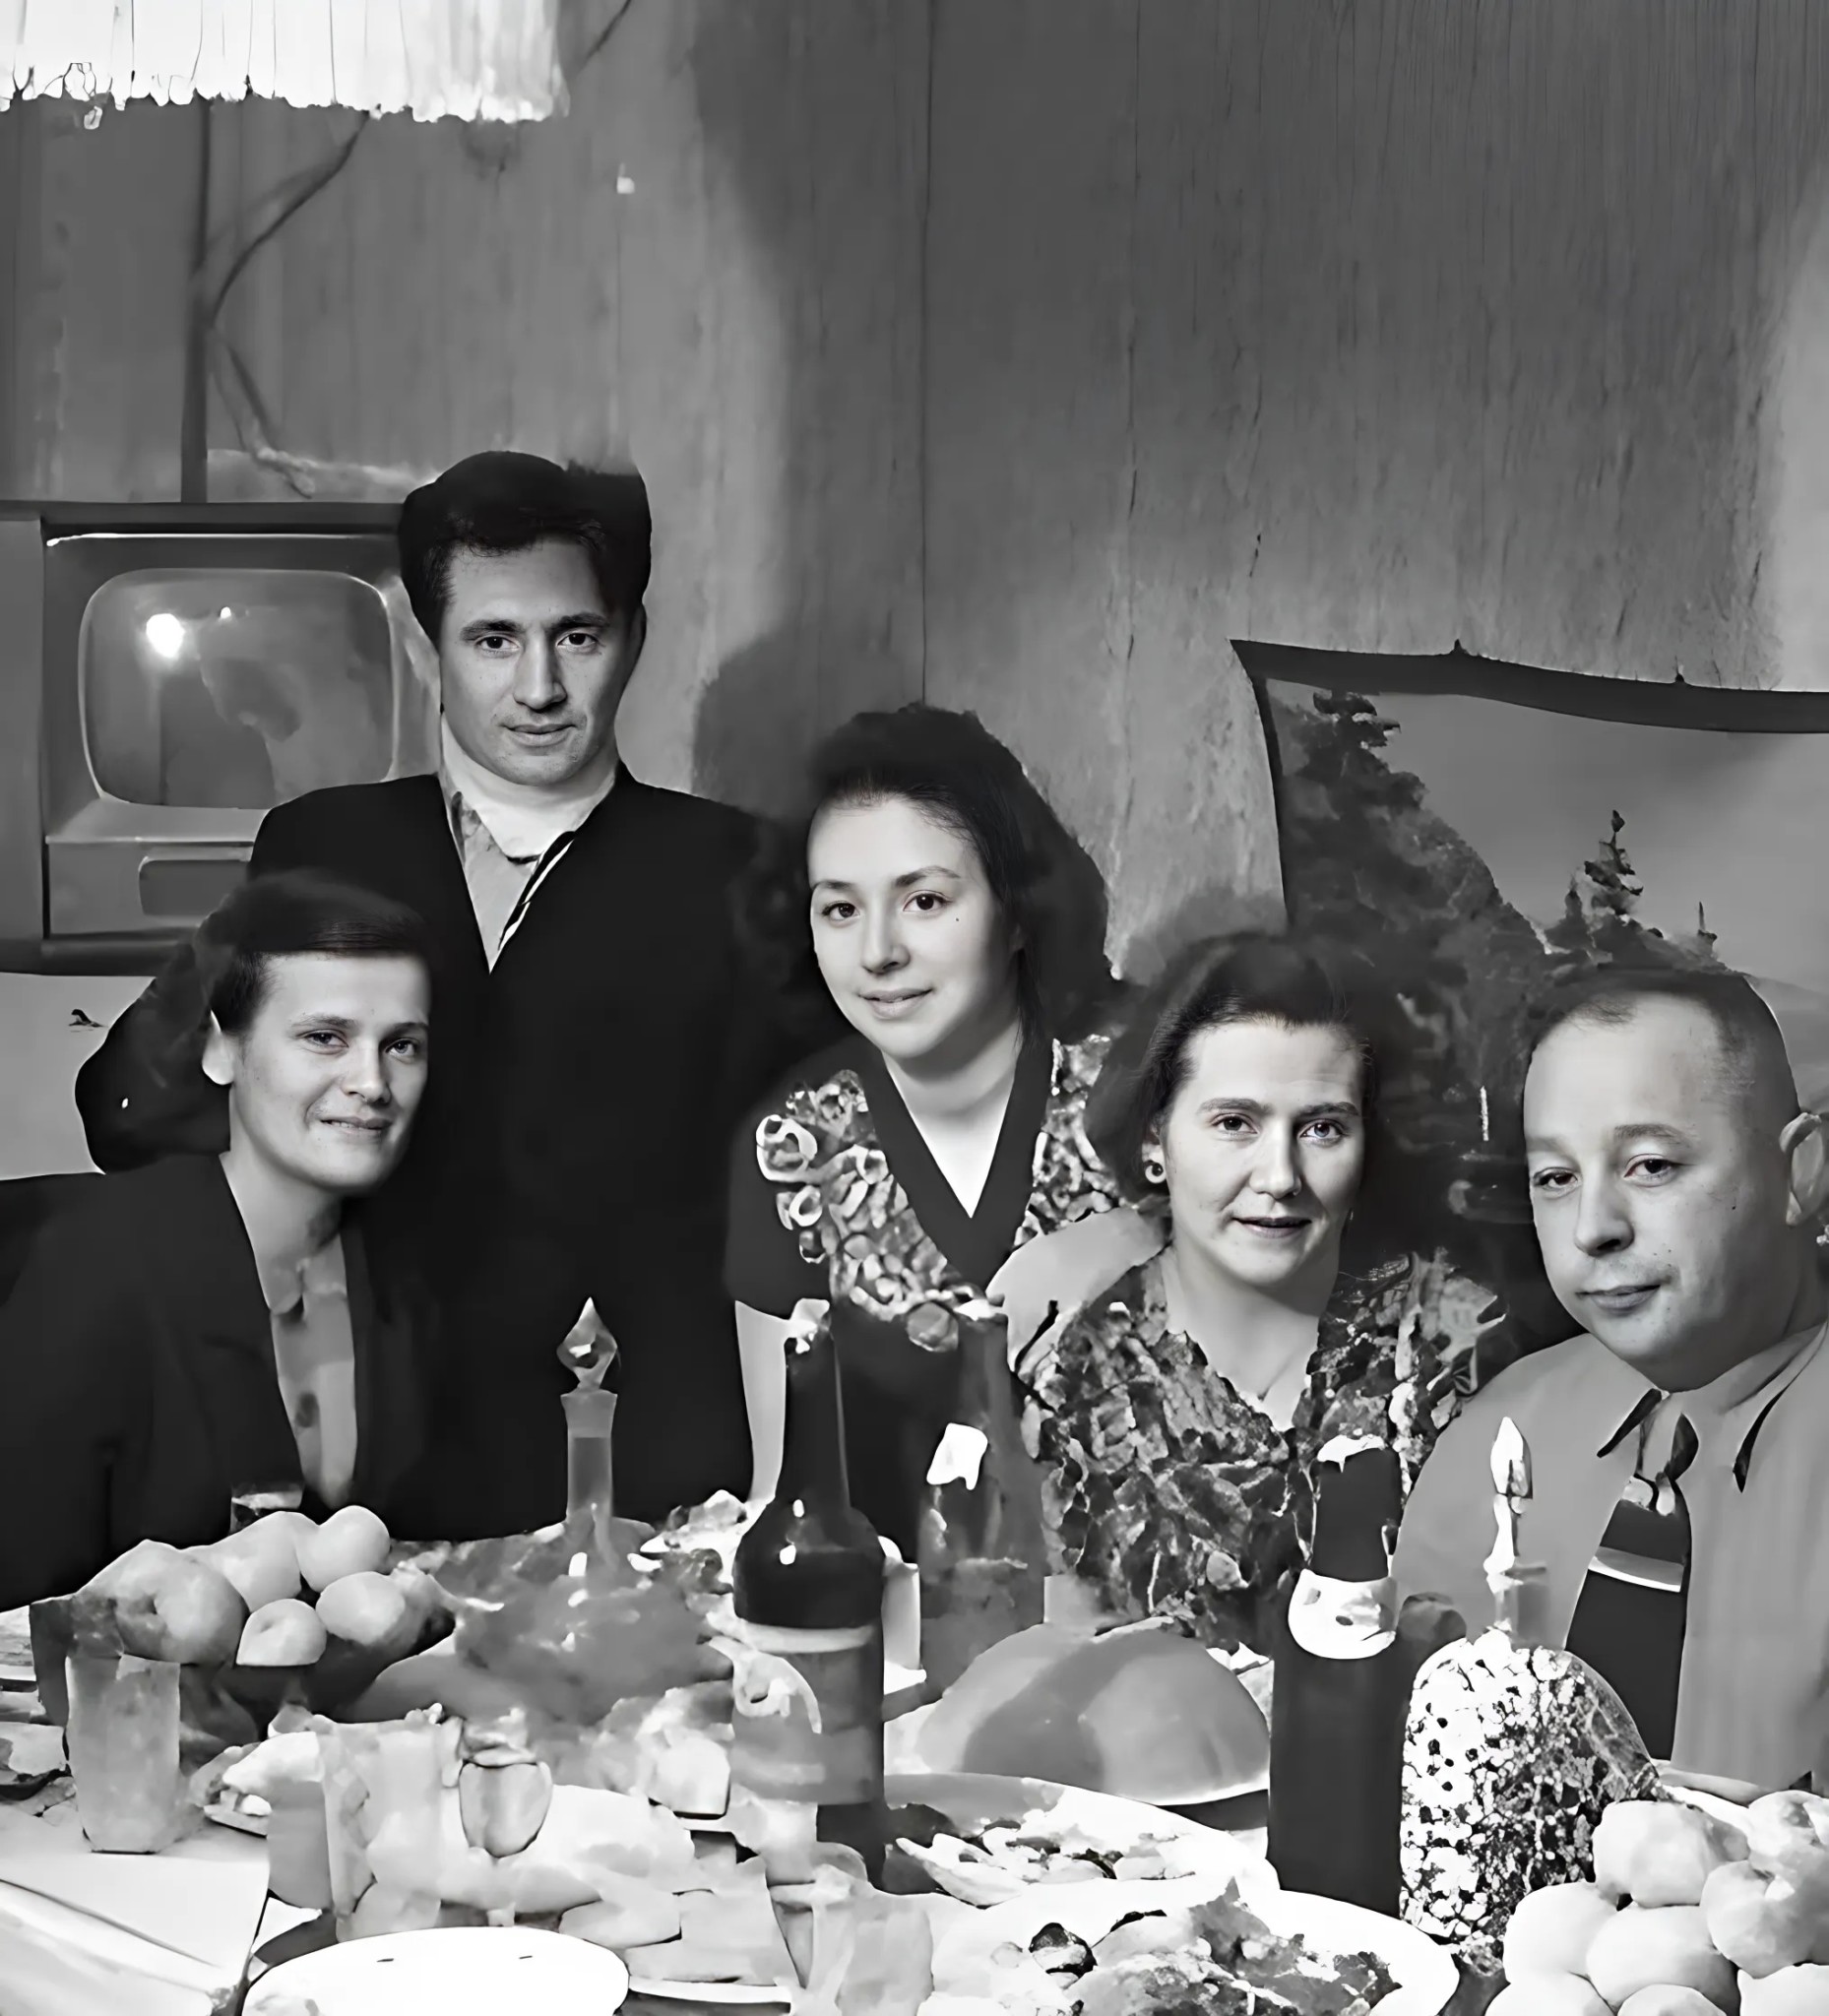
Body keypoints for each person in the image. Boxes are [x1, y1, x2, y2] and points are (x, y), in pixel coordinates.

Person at [74, 453, 829, 1534]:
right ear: (428, 651)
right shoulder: (325, 842)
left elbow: (804, 1192)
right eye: (493, 639)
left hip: (644, 1476)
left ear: (634, 638)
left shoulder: (739, 871)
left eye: (577, 636)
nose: (539, 687)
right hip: (363, 1470)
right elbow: (130, 1113)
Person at [724, 705, 1158, 1558]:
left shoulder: (1151, 1086)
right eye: (839, 910)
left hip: (1170, 1595)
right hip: (912, 1613)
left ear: (1019, 909)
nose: (877, 952)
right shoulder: (793, 1151)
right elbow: (782, 1492)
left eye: (924, 900)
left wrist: (1129, 1233)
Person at [1393, 964, 1829, 1789]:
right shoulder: (1498, 1438)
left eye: (1651, 1166)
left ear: (1799, 1175)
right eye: (1556, 1179)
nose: (1592, 1228)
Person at [1026, 934, 1482, 1656]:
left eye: (1322, 1128)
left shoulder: (1458, 1348)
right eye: (1234, 1123)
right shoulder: (1077, 1385)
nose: (1280, 1177)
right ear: (1154, 1140)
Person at [0, 872, 441, 1608]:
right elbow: (20, 1603)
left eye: (402, 1045)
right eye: (324, 1038)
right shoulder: (94, 1267)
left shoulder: (413, 1277)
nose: (372, 1082)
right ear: (220, 1051)